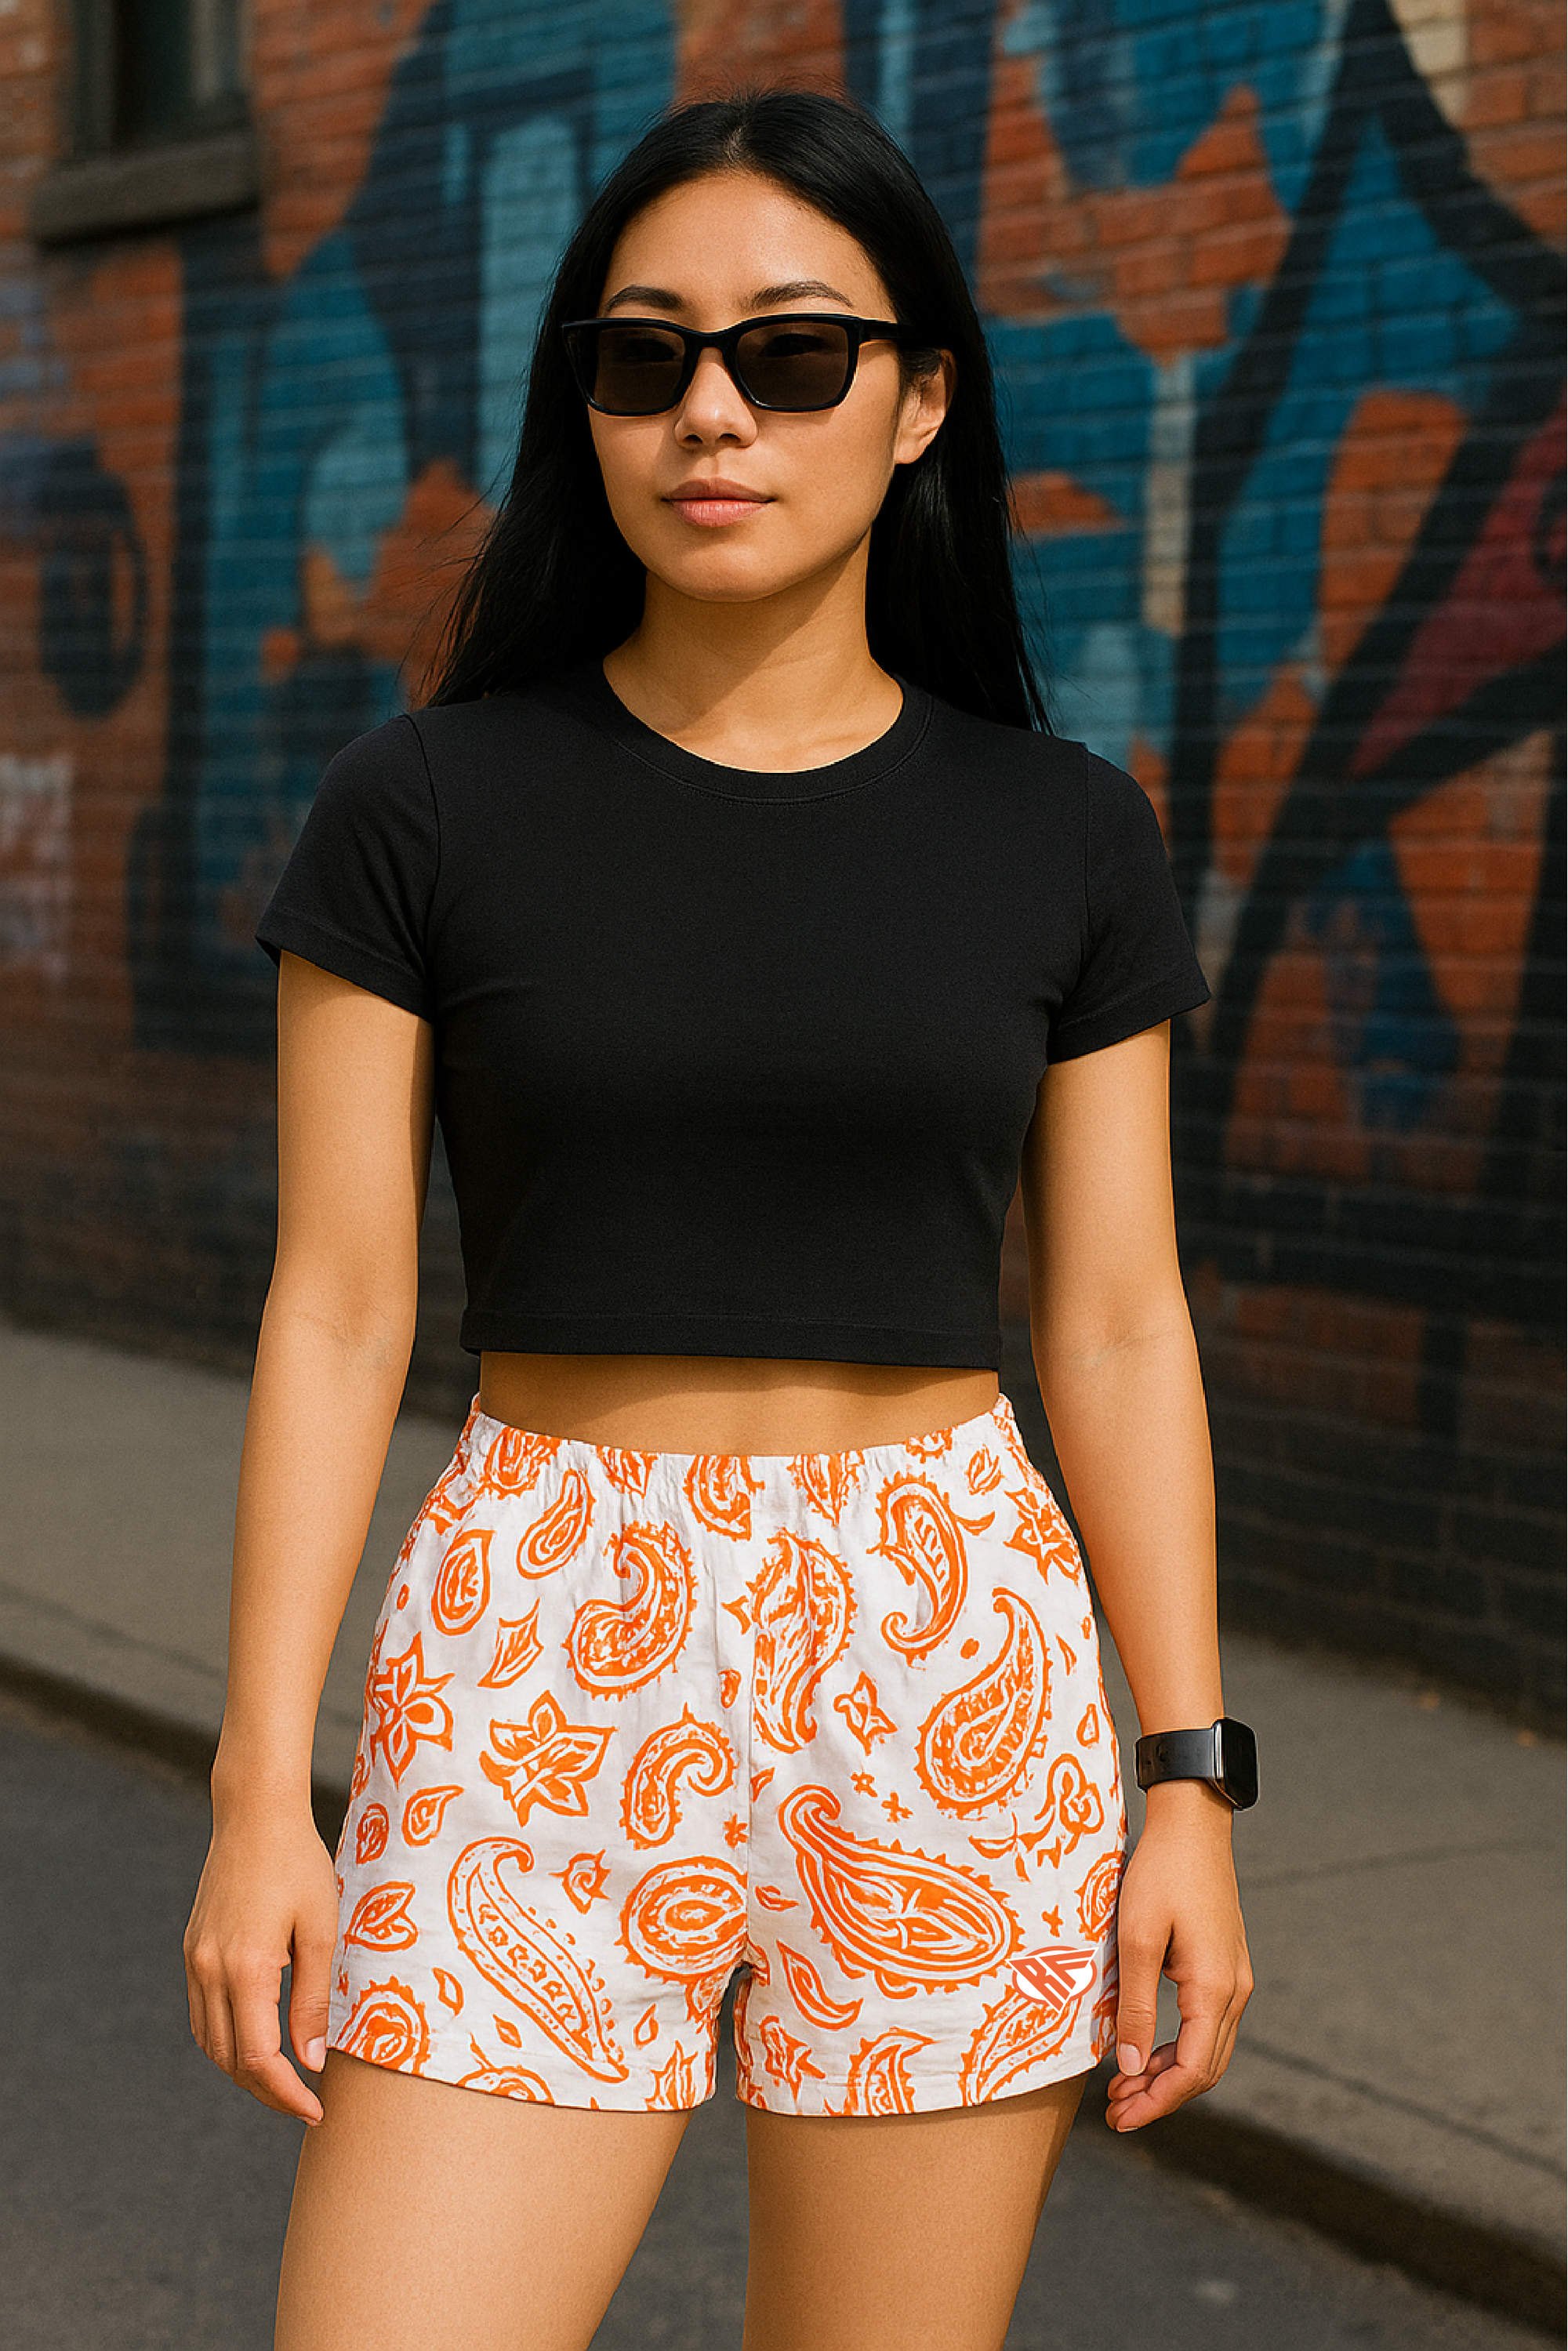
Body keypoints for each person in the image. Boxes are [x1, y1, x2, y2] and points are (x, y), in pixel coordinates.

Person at [183, 85, 1253, 2351]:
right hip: (535, 1641)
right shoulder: (427, 809)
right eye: (641, 353)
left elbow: (1127, 1327)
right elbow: (341, 1304)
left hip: (950, 1637)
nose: (709, 413)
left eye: (791, 353)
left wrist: (1190, 1777)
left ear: (922, 395)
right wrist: (260, 1785)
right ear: (583, 398)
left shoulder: (1063, 832)